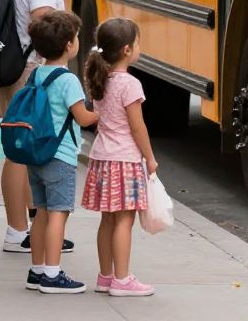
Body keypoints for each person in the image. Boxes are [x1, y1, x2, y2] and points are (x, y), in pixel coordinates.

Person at [0, 0, 67, 254]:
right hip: (33, 72)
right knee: (30, 154)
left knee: (16, 150)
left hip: (11, 68)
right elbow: (42, 21)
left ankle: (20, 228)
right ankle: (25, 230)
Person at [81, 18, 158, 297]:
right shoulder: (131, 84)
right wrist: (149, 157)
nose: (139, 48)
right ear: (127, 49)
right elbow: (137, 126)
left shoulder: (99, 79)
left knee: (108, 221)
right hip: (124, 161)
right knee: (125, 221)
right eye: (137, 43)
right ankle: (123, 280)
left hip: (101, 158)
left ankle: (106, 276)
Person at [23, 10, 97, 294]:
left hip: (36, 154)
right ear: (69, 45)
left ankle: (37, 270)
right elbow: (81, 117)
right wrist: (99, 113)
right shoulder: (67, 80)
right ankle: (52, 275)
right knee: (58, 214)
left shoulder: (37, 74)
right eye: (76, 37)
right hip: (60, 155)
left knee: (41, 212)